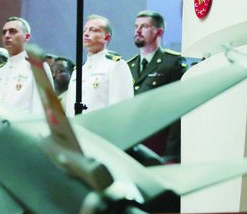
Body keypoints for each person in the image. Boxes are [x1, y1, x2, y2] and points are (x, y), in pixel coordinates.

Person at [127, 11, 187, 162]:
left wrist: (172, 153)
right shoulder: (128, 66)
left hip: (159, 146)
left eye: (144, 26)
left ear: (159, 32)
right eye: (136, 27)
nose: (137, 31)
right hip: (132, 145)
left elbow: (178, 110)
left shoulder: (172, 63)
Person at [65, 15, 133, 116]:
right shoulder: (78, 71)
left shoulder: (115, 65)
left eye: (93, 30)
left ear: (106, 37)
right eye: (84, 30)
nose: (86, 34)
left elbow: (122, 109)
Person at [0, 17, 51, 114]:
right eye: (4, 32)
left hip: (25, 126)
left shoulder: (36, 67)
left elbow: (42, 107)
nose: (7, 35)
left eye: (12, 31)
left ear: (27, 37)